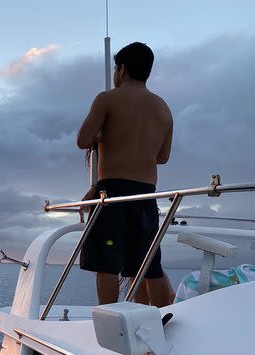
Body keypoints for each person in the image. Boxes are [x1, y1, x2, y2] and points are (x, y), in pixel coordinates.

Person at [76, 42, 174, 307]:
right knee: (149, 266)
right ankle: (162, 320)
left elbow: (83, 140)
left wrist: (106, 136)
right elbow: (162, 157)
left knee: (106, 265)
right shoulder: (163, 108)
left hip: (113, 195)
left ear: (122, 69)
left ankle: (110, 323)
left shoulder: (107, 99)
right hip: (146, 196)